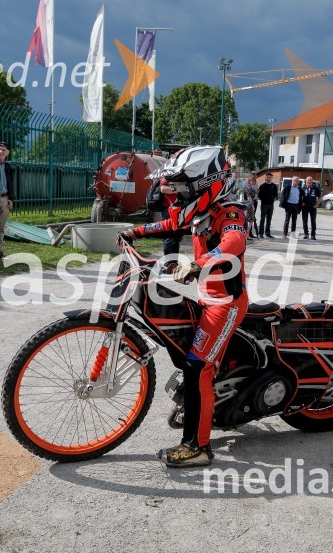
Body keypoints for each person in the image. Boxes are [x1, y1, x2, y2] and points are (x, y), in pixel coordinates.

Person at [120, 146, 249, 468]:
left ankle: (197, 447)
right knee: (187, 352)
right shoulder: (198, 211)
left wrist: (198, 263)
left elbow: (232, 243)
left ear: (206, 185)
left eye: (180, 190)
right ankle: (206, 403)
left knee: (197, 367)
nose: (175, 198)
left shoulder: (229, 212)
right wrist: (135, 231)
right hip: (206, 297)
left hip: (226, 302)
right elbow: (170, 223)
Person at [257, 173, 278, 238]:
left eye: (269, 177)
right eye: (267, 177)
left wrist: (272, 200)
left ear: (272, 178)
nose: (268, 178)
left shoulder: (274, 186)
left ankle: (267, 233)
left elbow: (275, 194)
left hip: (271, 205)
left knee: (269, 219)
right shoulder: (262, 186)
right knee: (262, 219)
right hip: (264, 204)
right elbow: (259, 195)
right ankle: (261, 233)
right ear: (265, 178)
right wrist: (263, 200)